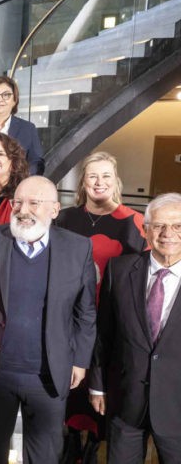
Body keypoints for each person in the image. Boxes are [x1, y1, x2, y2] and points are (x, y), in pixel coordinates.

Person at [0, 176, 97, 463]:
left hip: (50, 373)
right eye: (18, 202)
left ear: (55, 209)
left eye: (34, 203)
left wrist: (81, 360)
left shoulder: (78, 248)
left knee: (45, 455)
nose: (23, 210)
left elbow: (85, 312)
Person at [56, 151, 146, 461]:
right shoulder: (65, 218)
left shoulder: (135, 222)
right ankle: (70, 441)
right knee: (69, 383)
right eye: (92, 175)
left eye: (106, 176)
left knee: (103, 386)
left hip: (113, 320)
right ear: (83, 181)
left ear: (116, 181)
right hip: (70, 317)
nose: (99, 182)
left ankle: (96, 443)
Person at [89, 193, 181, 463]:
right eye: (159, 226)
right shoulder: (119, 270)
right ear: (145, 229)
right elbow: (103, 332)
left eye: (177, 226)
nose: (168, 234)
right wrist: (97, 386)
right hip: (125, 402)